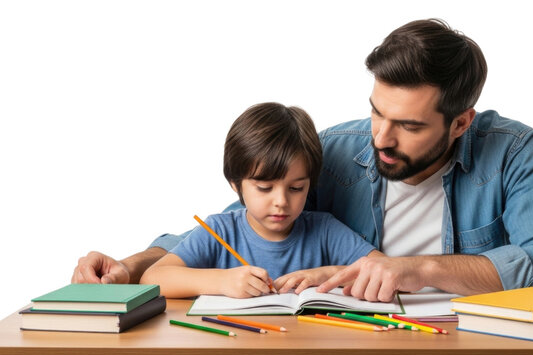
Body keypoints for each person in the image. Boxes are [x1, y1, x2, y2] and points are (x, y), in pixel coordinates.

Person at [72, 19, 533, 302]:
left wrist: (422, 269)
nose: (380, 137)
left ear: (460, 123)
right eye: (376, 111)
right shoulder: (341, 147)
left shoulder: (515, 152)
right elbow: (238, 222)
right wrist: (130, 266)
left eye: (408, 126)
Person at [139, 102, 382, 298]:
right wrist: (222, 281)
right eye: (265, 188)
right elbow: (153, 277)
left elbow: (385, 270)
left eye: (296, 188)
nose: (281, 201)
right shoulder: (219, 231)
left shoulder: (326, 230)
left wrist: (328, 274)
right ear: (236, 184)